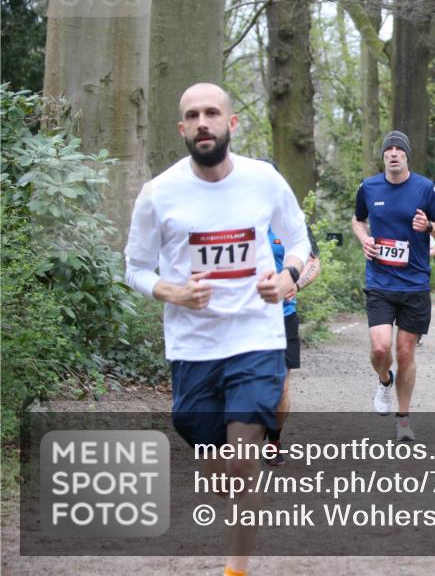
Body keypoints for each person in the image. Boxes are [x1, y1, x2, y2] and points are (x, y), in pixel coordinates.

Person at [125, 83, 311, 576]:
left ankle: (236, 568)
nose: (202, 121)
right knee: (213, 460)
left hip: (256, 337)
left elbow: (298, 241)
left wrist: (287, 278)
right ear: (182, 128)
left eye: (212, 112)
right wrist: (174, 292)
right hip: (193, 345)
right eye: (192, 115)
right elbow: (136, 269)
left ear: (231, 124)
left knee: (243, 457)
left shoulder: (264, 179)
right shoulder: (158, 193)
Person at [352, 130, 435, 441]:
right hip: (380, 280)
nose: (393, 153)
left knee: (405, 352)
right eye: (388, 149)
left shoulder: (424, 187)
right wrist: (364, 239)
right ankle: (384, 380)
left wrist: (430, 226)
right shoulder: (369, 187)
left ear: (407, 155)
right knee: (381, 347)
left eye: (399, 149)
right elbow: (357, 219)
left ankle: (403, 419)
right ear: (383, 155)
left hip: (414, 282)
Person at [263, 223, 321, 466]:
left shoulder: (288, 219)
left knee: (281, 384)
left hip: (282, 316)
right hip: (239, 317)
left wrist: (296, 284)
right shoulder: (233, 211)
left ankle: (274, 439)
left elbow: (314, 262)